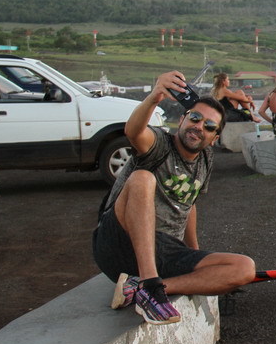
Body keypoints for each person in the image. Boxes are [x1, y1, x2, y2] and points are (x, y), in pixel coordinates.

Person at [93, 70, 256, 324]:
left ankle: (147, 288)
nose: (199, 126)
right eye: (195, 118)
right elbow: (134, 132)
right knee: (142, 177)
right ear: (182, 120)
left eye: (209, 126)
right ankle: (149, 285)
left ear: (214, 139)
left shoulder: (204, 160)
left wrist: (194, 253)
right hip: (119, 242)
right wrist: (154, 98)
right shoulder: (159, 144)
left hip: (167, 251)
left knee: (245, 268)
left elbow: (189, 206)